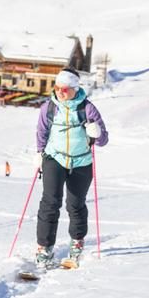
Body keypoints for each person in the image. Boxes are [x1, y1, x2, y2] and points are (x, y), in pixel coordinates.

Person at [32, 68, 108, 268]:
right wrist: (39, 153)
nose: (60, 92)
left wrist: (96, 133)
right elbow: (41, 131)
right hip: (54, 158)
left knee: (75, 204)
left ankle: (77, 242)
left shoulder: (88, 109)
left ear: (75, 89)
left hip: (81, 162)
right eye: (57, 88)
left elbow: (103, 140)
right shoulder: (48, 107)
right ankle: (44, 248)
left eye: (64, 89)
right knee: (50, 202)